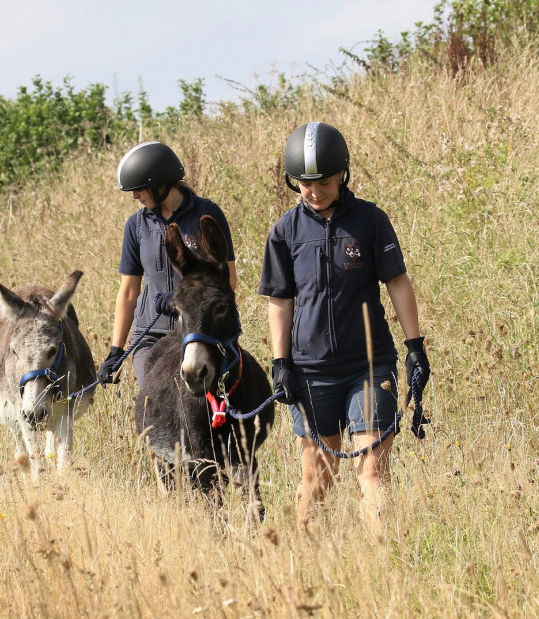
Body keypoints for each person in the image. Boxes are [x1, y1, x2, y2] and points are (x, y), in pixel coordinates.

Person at [257, 121, 430, 530]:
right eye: (305, 185)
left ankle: (381, 566)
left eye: (325, 183)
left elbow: (398, 282)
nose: (315, 193)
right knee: (318, 480)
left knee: (372, 471)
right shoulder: (284, 232)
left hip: (369, 368)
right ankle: (305, 568)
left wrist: (415, 347)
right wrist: (280, 362)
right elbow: (279, 300)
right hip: (310, 372)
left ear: (343, 174)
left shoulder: (370, 221)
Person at [97, 141, 238, 387]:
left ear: (160, 185)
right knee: (154, 403)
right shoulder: (136, 225)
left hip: (202, 330)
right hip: (150, 335)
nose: (134, 196)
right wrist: (116, 350)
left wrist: (180, 299)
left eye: (140, 188)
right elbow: (129, 292)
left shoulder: (207, 213)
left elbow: (229, 279)